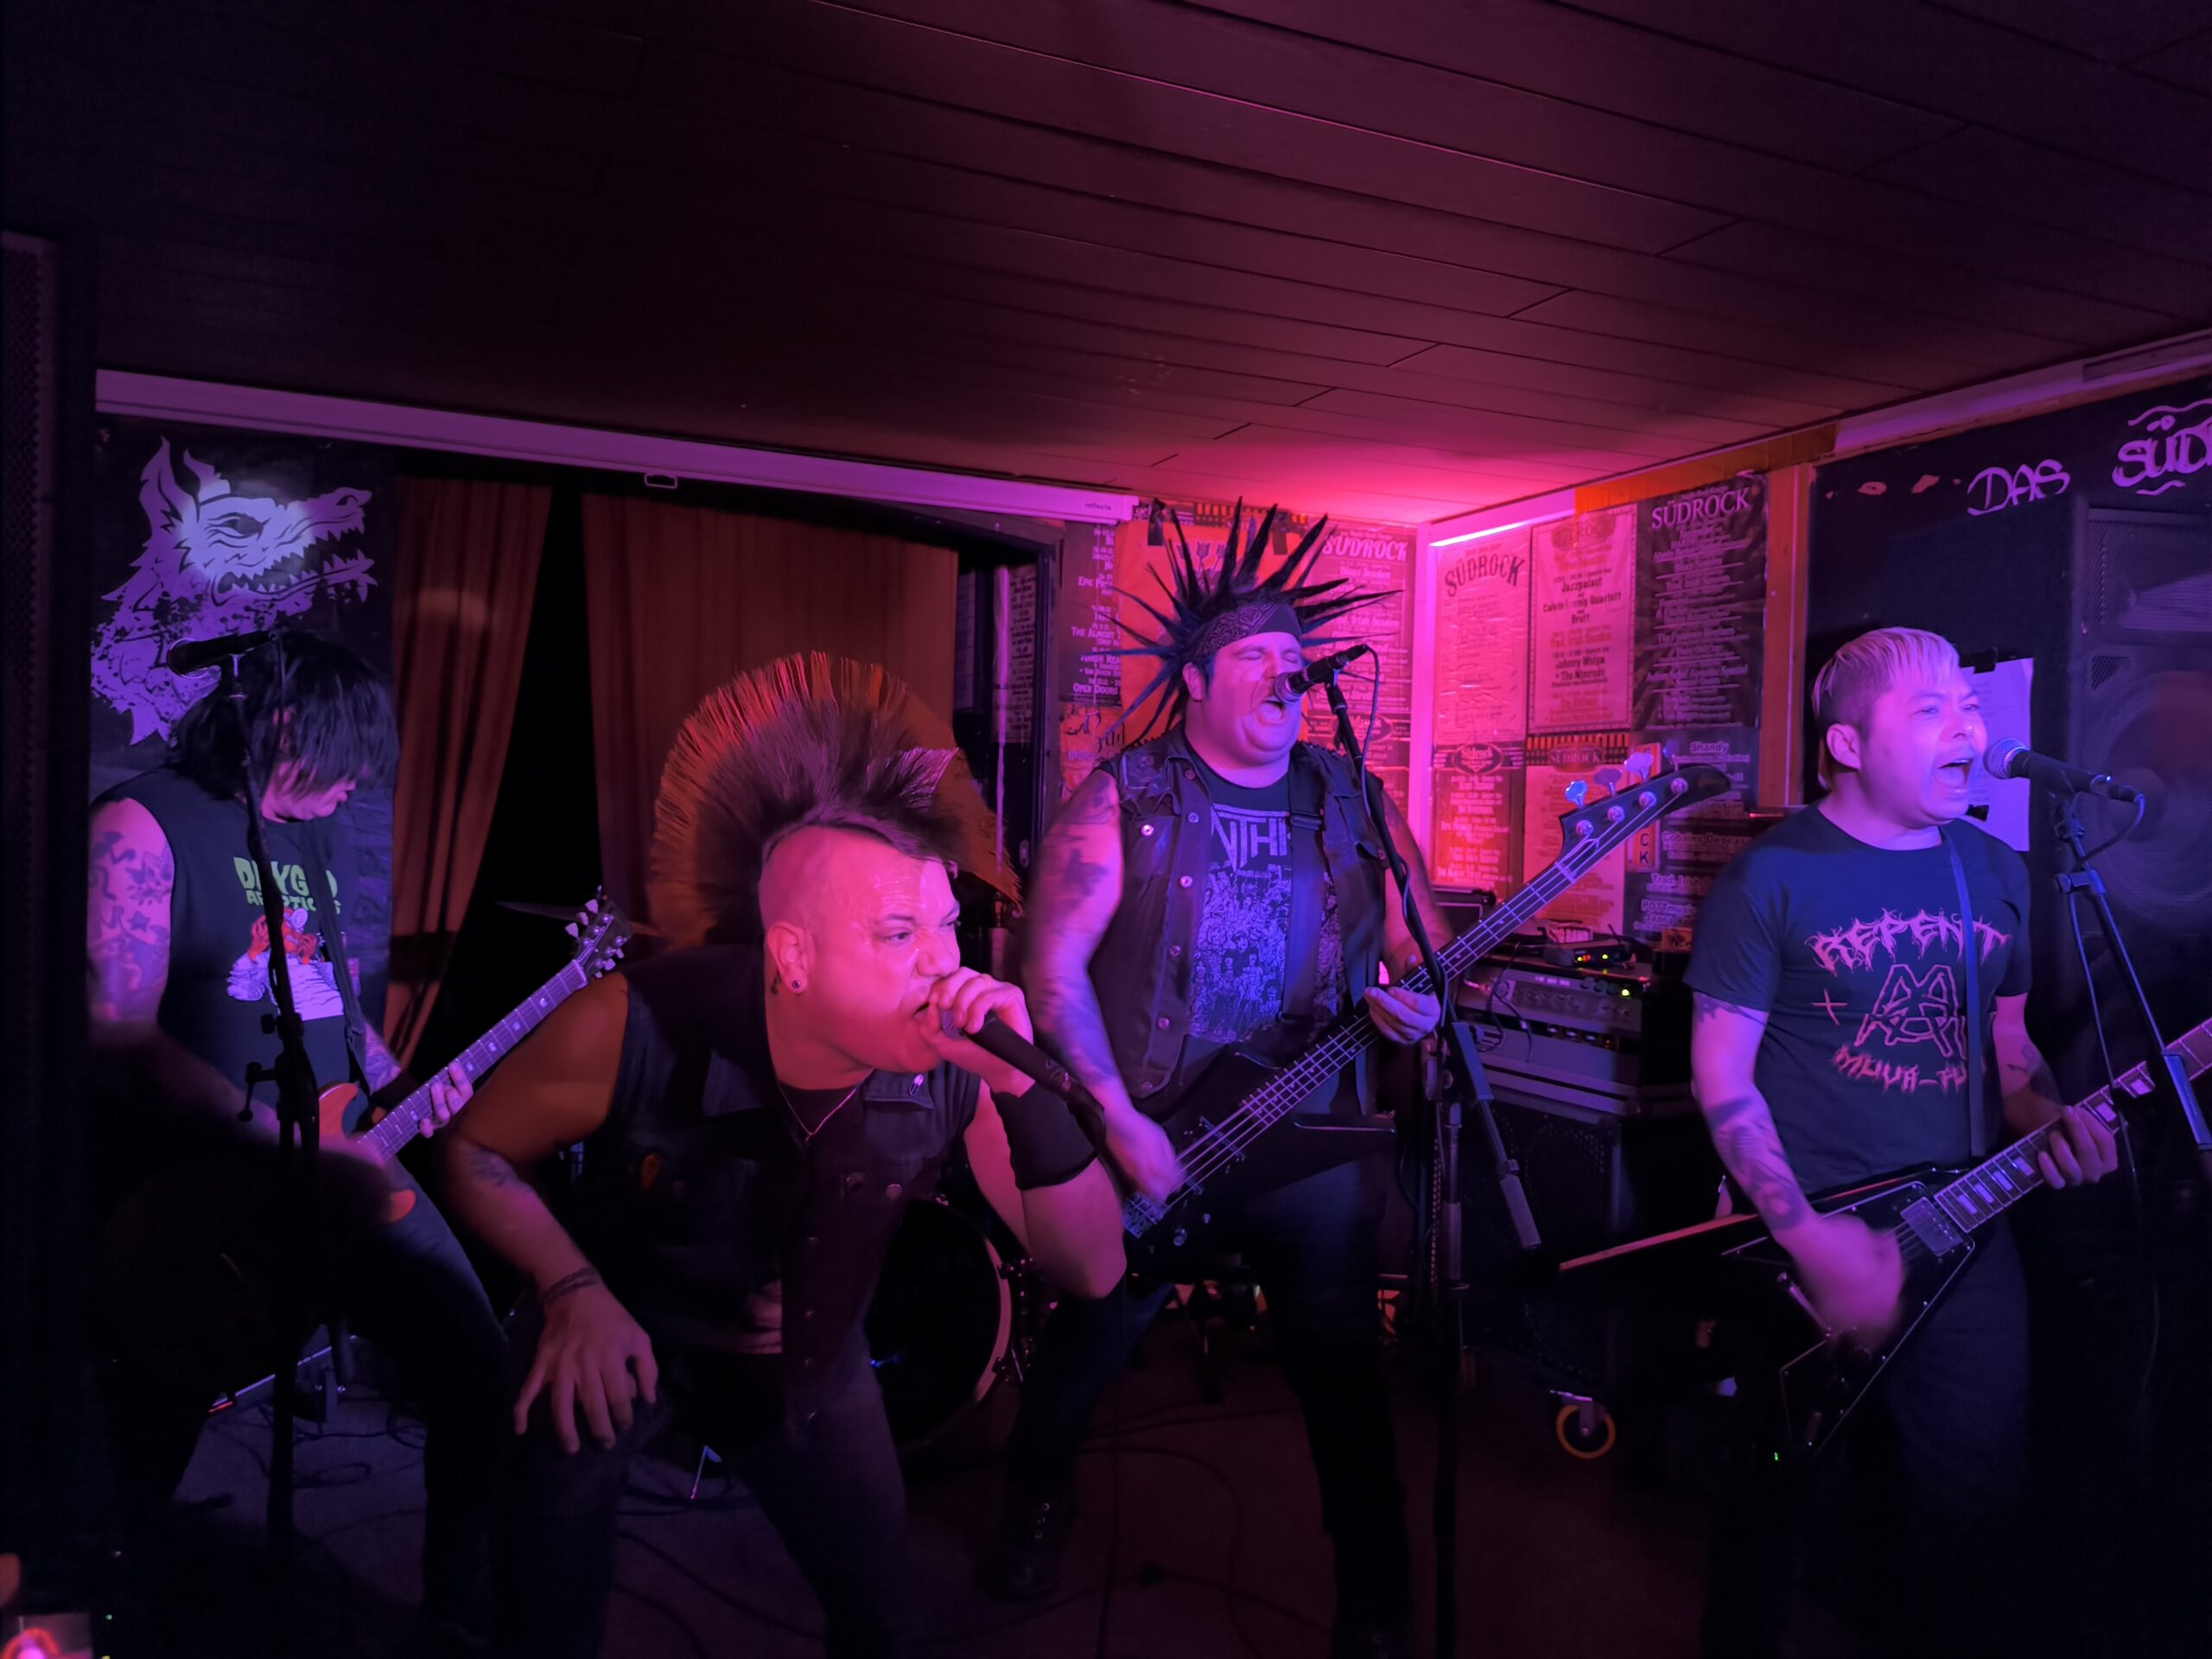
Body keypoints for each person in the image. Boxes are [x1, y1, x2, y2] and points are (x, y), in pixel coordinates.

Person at [439, 654, 1127, 1659]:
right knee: (544, 1610)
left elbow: (1094, 1268)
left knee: (886, 1622)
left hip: (807, 1355)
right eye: (898, 933)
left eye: (946, 926)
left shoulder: (957, 1066)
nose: (943, 966)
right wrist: (569, 1289)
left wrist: (1025, 1093)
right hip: (619, 1328)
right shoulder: (634, 1021)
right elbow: (475, 1149)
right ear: (794, 957)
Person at [985, 505, 1446, 1659]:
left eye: (1295, 657)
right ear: (1195, 681)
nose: (1286, 674)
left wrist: (1416, 1000)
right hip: (1157, 1133)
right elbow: (1049, 968)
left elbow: (1418, 947)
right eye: (1256, 657)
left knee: (1346, 1381)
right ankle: (1032, 1502)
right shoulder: (1128, 794)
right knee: (1088, 1348)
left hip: (1307, 1138)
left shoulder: (1350, 795)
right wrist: (1114, 1119)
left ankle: (1376, 1603)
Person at [1686, 626, 2120, 1659]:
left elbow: (2007, 1057)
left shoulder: (1995, 869)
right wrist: (1808, 1237)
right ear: (1846, 745)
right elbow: (1720, 1077)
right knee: (1773, 1514)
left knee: (1974, 1512)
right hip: (1808, 1244)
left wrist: (2052, 1121)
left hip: (1968, 1231)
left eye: (1968, 707)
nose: (1966, 730)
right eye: (1929, 710)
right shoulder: (1771, 877)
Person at [85, 631, 505, 1650]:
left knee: (475, 1361)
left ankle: (455, 1616)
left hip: (344, 1158)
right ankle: (98, 1603)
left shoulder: (306, 836)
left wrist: (399, 1081)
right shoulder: (141, 826)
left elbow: (332, 1000)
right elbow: (116, 1036)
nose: (354, 786)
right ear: (281, 728)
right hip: (204, 1194)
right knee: (151, 1418)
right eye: (342, 761)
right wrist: (272, 1139)